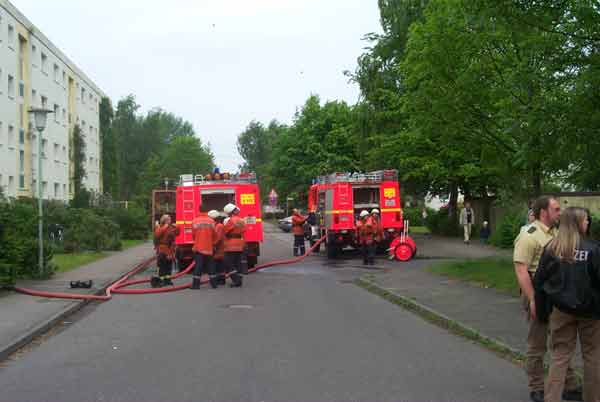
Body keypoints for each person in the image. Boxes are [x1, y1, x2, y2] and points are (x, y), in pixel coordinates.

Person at [513, 196, 582, 402]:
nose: (560, 213)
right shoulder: (529, 235)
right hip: (538, 293)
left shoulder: (555, 233)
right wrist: (533, 299)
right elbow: (521, 270)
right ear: (544, 212)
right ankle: (536, 387)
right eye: (557, 209)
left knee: (561, 341)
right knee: (537, 343)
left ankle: (569, 385)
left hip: (556, 294)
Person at [533, 207, 600, 402]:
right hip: (591, 312)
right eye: (586, 220)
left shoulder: (552, 248)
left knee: (559, 356)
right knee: (593, 355)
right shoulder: (594, 249)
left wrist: (542, 311)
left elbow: (540, 280)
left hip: (561, 310)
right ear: (579, 223)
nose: (588, 223)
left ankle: (551, 398)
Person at [191, 207, 218, 289]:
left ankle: (196, 285)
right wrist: (212, 243)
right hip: (209, 248)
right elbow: (215, 235)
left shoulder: (195, 221)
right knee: (211, 266)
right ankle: (214, 284)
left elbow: (193, 235)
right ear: (207, 211)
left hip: (198, 248)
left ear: (199, 210)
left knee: (198, 266)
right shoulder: (211, 221)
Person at [153, 215, 180, 287]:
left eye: (170, 219)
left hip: (170, 249)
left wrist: (177, 227)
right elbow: (157, 235)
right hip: (162, 248)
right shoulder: (159, 227)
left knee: (169, 265)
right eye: (168, 219)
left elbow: (177, 234)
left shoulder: (171, 227)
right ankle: (161, 280)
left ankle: (167, 280)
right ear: (164, 220)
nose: (170, 220)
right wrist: (164, 228)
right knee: (162, 266)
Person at [223, 203, 244, 288]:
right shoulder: (241, 220)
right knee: (238, 262)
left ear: (229, 212)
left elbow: (225, 231)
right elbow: (244, 230)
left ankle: (236, 280)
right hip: (240, 242)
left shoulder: (231, 220)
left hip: (231, 243)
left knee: (228, 263)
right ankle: (239, 278)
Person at [213, 211, 227, 286]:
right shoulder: (217, 225)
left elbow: (218, 238)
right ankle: (220, 280)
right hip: (218, 248)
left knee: (219, 265)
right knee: (218, 265)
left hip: (219, 249)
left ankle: (221, 280)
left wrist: (213, 245)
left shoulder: (219, 226)